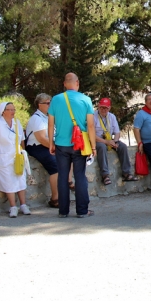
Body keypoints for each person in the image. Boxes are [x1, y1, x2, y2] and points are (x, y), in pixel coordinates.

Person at [48, 73, 97, 218]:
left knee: (63, 176)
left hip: (61, 144)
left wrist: (51, 143)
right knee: (80, 176)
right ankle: (82, 210)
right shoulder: (86, 100)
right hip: (79, 144)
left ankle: (63, 211)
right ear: (77, 83)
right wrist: (93, 146)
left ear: (64, 84)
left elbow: (50, 124)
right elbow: (91, 126)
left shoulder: (56, 100)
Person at [25, 93, 74, 208]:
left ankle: (69, 181)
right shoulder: (36, 118)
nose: (50, 105)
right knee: (55, 167)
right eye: (47, 103)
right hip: (37, 146)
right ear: (39, 104)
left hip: (50, 144)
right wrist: (56, 148)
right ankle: (55, 199)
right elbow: (42, 138)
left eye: (51, 102)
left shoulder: (48, 117)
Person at [0, 102, 30, 218]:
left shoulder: (16, 123)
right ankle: (13, 206)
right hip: (3, 157)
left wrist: (23, 152)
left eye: (13, 109)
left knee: (20, 179)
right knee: (8, 181)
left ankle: (23, 205)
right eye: (10, 109)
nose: (12, 112)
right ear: (3, 111)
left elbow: (22, 139)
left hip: (17, 156)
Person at [94, 97, 137, 186]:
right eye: (102, 107)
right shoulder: (93, 116)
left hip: (110, 140)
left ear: (109, 108)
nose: (103, 109)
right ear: (98, 106)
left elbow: (117, 132)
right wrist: (106, 142)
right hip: (99, 140)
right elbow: (91, 135)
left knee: (123, 146)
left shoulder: (112, 116)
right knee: (101, 147)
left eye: (106, 108)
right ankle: (105, 175)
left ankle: (126, 173)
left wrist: (116, 141)